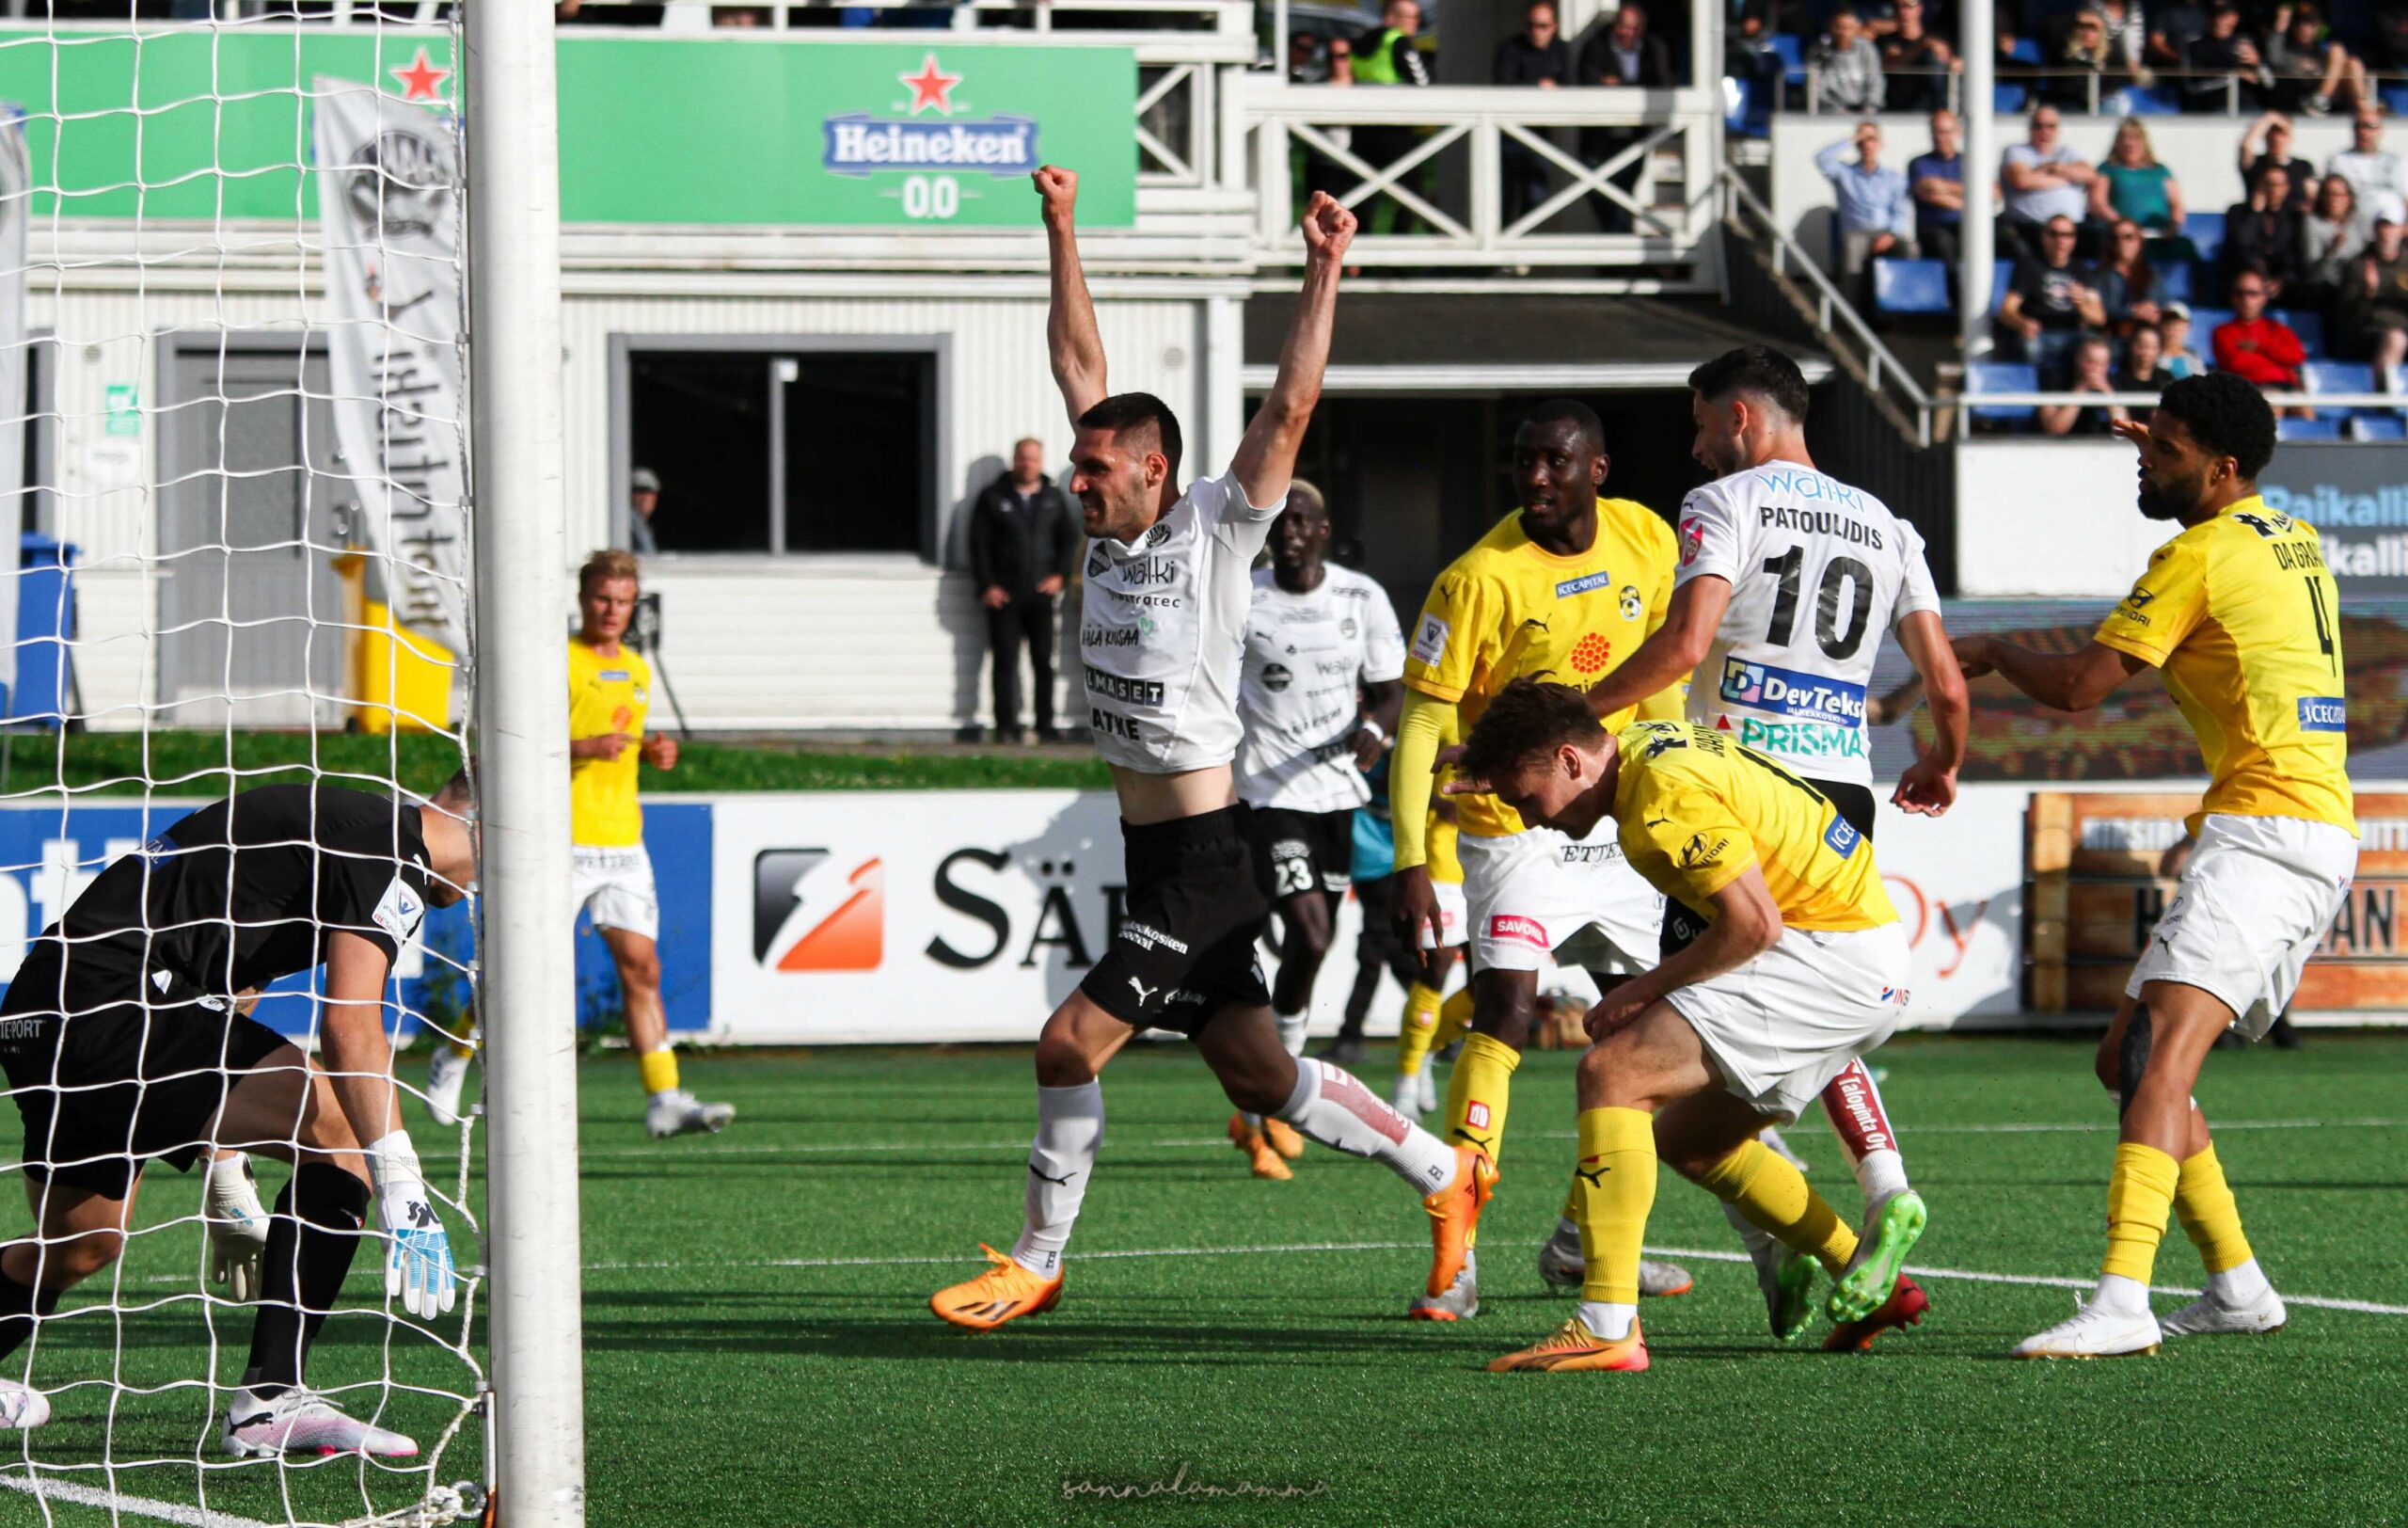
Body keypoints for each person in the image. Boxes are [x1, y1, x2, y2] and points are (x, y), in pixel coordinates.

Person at [931, 170, 1478, 1334]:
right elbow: (1077, 356)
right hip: (1155, 856)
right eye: (1076, 465)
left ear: (1154, 469)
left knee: (1066, 1047)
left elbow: (1290, 407)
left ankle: (1037, 1260)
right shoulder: (1106, 530)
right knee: (1261, 1077)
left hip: (1206, 860)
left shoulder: (1218, 526)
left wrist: (1324, 267)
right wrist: (1060, 227)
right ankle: (1444, 1172)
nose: (1076, 482)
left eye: (1094, 469)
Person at [1566, 344, 1966, 1349]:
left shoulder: (1725, 502)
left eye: (1703, 427)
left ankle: (1668, 1288)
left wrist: (1571, 714)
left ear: (1741, 418)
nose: (1698, 449)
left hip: (1738, 786)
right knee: (1799, 999)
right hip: (1841, 790)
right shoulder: (1888, 523)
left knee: (1675, 1048)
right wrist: (1942, 761)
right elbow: (1948, 686)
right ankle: (1873, 1193)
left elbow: (1684, 646)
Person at [1953, 373, 2354, 1359]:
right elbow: (2214, 484)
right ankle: (2238, 1288)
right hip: (2296, 826)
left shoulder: (2197, 555)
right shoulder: (2289, 533)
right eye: (2149, 441)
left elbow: (2079, 689)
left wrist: (1994, 648)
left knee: (2162, 1057)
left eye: (2165, 450)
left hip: (2269, 833)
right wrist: (2169, 440)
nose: (2145, 461)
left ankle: (2122, 1301)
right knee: (2126, 1060)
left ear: (2220, 469)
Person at [0, 775, 477, 1452]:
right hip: (120, 1006)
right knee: (342, 1128)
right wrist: (399, 1177)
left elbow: (232, 991)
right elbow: (351, 1026)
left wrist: (225, 1174)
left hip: (42, 1009)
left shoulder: (337, 824)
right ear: (481, 822)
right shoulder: (388, 851)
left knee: (80, 1245)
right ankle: (267, 1405)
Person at [1452, 698, 1925, 1373]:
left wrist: (1643, 991)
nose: (1531, 820)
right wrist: (1490, 762)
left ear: (1570, 761)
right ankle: (1863, 1273)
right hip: (1858, 956)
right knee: (1690, 1144)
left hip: (1824, 958)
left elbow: (1753, 924)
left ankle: (1606, 1325)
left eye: (1526, 799)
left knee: (1611, 1073)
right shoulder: (1643, 746)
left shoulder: (1659, 797)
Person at [1386, 398, 1694, 1321]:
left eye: (1555, 462)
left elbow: (1664, 673)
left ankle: (1578, 1238)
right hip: (1513, 824)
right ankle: (1457, 1257)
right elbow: (1425, 720)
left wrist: (1679, 786)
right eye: (1523, 461)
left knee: (1652, 1038)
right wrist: (1411, 856)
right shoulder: (1477, 577)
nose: (1534, 478)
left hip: (1616, 819)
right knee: (1507, 1014)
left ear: (1597, 469)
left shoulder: (1646, 537)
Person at [1224, 482, 1406, 1180]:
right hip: (1268, 796)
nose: (1290, 532)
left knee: (1311, 947)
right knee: (1312, 932)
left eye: (1302, 521)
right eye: (1280, 522)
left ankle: (1266, 1094)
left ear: (1324, 530)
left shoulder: (1362, 598)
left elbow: (1391, 692)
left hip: (1338, 798)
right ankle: (1276, 1094)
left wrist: (1374, 731)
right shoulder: (1243, 596)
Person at [969, 438, 1080, 744]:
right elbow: (979, 545)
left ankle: (1046, 725)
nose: (1027, 464)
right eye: (1022, 458)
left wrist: (1059, 576)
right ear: (1013, 460)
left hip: (1041, 597)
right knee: (1005, 662)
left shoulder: (1053, 497)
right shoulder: (993, 497)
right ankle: (1005, 726)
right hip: (1004, 596)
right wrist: (987, 586)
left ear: (1040, 462)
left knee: (1043, 662)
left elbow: (1068, 541)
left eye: (1032, 459)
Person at [1578, 4, 1675, 234]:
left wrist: (1619, 84)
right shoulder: (1596, 46)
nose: (1627, 33)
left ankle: (1618, 247)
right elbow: (1588, 81)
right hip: (1599, 136)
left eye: (1633, 28)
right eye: (1622, 26)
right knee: (1595, 191)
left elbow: (1662, 84)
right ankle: (1619, 245)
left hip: (1635, 134)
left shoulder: (1653, 48)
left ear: (1642, 30)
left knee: (1625, 191)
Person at [1351, 0, 1434, 236]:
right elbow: (1423, 82)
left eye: (1416, 17)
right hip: (1394, 129)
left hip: (1361, 127)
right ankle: (1399, 245)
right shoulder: (1398, 41)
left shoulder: (1360, 41)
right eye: (1409, 17)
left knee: (1364, 193)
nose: (1414, 23)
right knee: (1412, 192)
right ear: (1390, 17)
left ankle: (1360, 248)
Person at [2001, 215, 2109, 381]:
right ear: (2044, 237)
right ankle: (2036, 390)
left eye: (2067, 235)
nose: (2060, 240)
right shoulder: (2029, 265)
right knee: (2030, 346)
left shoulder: (2081, 269)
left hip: (2074, 334)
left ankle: (2089, 391)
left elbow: (2099, 318)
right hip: (2040, 334)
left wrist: (2082, 304)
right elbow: (2006, 310)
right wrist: (2022, 323)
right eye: (2054, 234)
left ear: (2074, 239)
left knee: (2097, 350)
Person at [1495, 0, 1573, 225]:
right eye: (1531, 25)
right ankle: (1506, 243)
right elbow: (1502, 86)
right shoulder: (1510, 48)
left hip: (1541, 135)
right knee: (1506, 197)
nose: (1536, 31)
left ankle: (1518, 238)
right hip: (1509, 134)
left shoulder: (1560, 50)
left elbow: (1570, 85)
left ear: (1554, 27)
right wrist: (1537, 87)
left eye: (1542, 26)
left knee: (1536, 197)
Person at [1815, 122, 1915, 286]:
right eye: (1862, 140)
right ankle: (1851, 300)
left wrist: (1891, 235)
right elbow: (1821, 159)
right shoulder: (1844, 173)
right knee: (1853, 250)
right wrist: (1852, 139)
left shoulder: (1893, 178)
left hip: (1885, 233)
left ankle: (1906, 299)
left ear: (1880, 144)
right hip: (1856, 233)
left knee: (1910, 249)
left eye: (1872, 139)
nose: (1867, 145)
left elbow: (1900, 211)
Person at [2000, 107, 2096, 263]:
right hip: (2031, 229)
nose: (2044, 131)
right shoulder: (2016, 151)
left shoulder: (2068, 152)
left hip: (2071, 229)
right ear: (2030, 128)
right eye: (2038, 126)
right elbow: (2022, 180)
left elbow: (2089, 175)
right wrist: (2066, 177)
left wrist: (2050, 169)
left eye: (2051, 126)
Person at [2265, 3, 2367, 118]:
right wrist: (2280, 27)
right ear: (2293, 27)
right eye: (2299, 23)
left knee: (2353, 62)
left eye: (2310, 24)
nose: (2304, 28)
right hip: (2301, 101)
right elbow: (2274, 59)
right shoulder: (2288, 53)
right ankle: (2320, 99)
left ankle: (2363, 108)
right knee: (2337, 50)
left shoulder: (2321, 54)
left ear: (2318, 27)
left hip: (2330, 103)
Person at [2089, 119, 2185, 238]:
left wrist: (2173, 227)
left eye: (2135, 138)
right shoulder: (2107, 169)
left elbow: (2176, 203)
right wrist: (2124, 227)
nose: (2129, 143)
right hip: (2122, 238)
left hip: (2159, 236)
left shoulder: (2161, 170)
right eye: (2124, 138)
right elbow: (2097, 203)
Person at [2211, 272, 2306, 389]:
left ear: (2263, 298)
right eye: (2239, 293)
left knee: (2305, 400)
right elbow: (2235, 363)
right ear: (2232, 297)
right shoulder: (2222, 332)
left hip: (2284, 387)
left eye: (2252, 293)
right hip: (2247, 389)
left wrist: (2259, 347)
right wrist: (2280, 364)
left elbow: (2297, 357)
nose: (2245, 299)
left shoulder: (2278, 329)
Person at [2341, 213, 2408, 379]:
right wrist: (2368, 294)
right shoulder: (2358, 265)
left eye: (2391, 227)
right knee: (2395, 339)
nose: (2386, 233)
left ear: (2402, 230)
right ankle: (2385, 393)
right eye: (2381, 227)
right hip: (2370, 333)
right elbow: (2349, 317)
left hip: (2404, 328)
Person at [2223, 162, 2304, 298]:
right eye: (2267, 184)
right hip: (2246, 281)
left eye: (2277, 185)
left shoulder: (2294, 217)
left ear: (2286, 188)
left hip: (2282, 285)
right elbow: (2241, 244)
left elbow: (2294, 256)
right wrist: (2255, 213)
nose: (2272, 190)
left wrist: (2282, 280)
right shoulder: (2237, 212)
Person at [2325, 105, 2408, 229]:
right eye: (2358, 126)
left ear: (2380, 130)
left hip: (2391, 229)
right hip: (2353, 226)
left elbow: (2405, 199)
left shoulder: (2396, 162)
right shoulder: (2338, 161)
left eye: (2369, 126)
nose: (2363, 132)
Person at [2297, 172, 2370, 310]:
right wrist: (2331, 250)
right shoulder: (2313, 222)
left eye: (2338, 195)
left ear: (2348, 198)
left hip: (2356, 281)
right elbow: (2312, 270)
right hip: (2327, 285)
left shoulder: (2360, 220)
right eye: (2328, 194)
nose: (2333, 200)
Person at [2181, 4, 2269, 114]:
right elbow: (2192, 86)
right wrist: (2232, 76)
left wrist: (2258, 64)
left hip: (2250, 109)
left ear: (2235, 18)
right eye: (2217, 16)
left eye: (2225, 16)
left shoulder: (2245, 43)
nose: (2220, 22)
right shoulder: (2196, 46)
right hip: (2215, 109)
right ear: (2208, 20)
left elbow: (2270, 83)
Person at [1908, 108, 1964, 265]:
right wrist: (1967, 197)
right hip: (1934, 228)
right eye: (1936, 132)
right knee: (1943, 242)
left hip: (1965, 226)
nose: (1940, 138)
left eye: (1945, 132)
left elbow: (1992, 192)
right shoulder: (1919, 163)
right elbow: (1926, 190)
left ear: (1957, 133)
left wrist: (1942, 188)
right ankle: (1953, 282)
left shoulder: (1969, 161)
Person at [1877, 0, 1953, 113]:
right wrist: (1921, 46)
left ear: (1920, 8)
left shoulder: (1938, 36)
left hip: (1932, 104)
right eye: (1897, 7)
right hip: (1899, 105)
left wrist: (1951, 61)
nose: (1902, 11)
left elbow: (1949, 60)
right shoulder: (1886, 40)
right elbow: (1893, 61)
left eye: (1908, 6)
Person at [2091, 219, 2165, 334]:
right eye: (2115, 238)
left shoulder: (2151, 274)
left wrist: (2152, 310)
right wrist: (2132, 312)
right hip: (2112, 335)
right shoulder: (2100, 276)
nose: (2121, 242)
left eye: (2128, 237)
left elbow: (2161, 303)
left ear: (2140, 242)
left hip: (2145, 334)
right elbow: (2101, 310)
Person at [2040, 334, 2122, 436]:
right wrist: (2080, 390)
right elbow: (2054, 430)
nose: (2096, 369)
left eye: (2102, 364)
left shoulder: (2112, 382)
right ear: (2077, 359)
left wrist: (2109, 395)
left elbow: (2124, 431)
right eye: (2090, 362)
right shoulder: (2055, 379)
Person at [1808, 8, 1885, 114]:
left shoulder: (1867, 49)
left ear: (1857, 28)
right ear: (1830, 27)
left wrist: (1870, 107)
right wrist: (1838, 111)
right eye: (1838, 28)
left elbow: (1876, 80)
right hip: (1831, 113)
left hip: (1866, 110)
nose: (1843, 33)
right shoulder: (1818, 52)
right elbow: (1815, 88)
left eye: (1848, 28)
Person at [2238, 112, 2318, 212]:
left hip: (2293, 219)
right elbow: (2246, 145)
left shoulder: (2303, 166)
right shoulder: (2255, 164)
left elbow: (2313, 198)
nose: (2276, 139)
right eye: (2272, 134)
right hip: (2261, 218)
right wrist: (2270, 118)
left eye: (2282, 134)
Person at [2113, 321, 2173, 422]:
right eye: (2142, 346)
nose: (2146, 352)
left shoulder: (2167, 379)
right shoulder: (2116, 380)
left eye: (2152, 347)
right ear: (2131, 346)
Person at [2161, 302, 2208, 376]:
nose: (2172, 329)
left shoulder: (2193, 356)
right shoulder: (2152, 356)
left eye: (2177, 324)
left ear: (2187, 326)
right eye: (2167, 323)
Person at [627, 465, 661, 555]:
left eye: (648, 491)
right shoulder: (628, 520)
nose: (643, 497)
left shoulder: (643, 524)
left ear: (655, 497)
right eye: (638, 491)